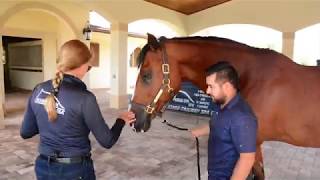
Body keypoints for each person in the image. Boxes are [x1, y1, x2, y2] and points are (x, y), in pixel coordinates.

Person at [20, 39, 136, 180]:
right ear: (82, 65)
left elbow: (26, 132)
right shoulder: (85, 98)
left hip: (43, 168)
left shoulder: (39, 89)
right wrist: (121, 120)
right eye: (88, 64)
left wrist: (49, 121)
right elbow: (107, 141)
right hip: (75, 171)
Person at [191, 61, 257, 180]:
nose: (207, 91)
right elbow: (219, 126)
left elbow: (247, 159)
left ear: (226, 87)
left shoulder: (242, 117)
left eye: (211, 86)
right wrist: (198, 132)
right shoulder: (220, 104)